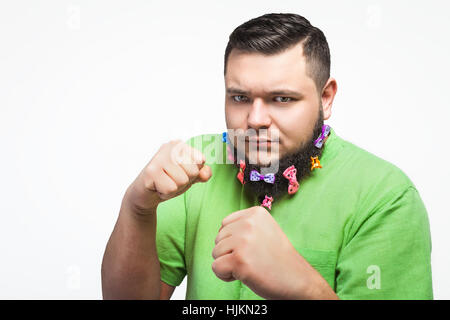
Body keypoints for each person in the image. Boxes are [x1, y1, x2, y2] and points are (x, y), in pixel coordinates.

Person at [101, 13, 433, 300]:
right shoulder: (198, 163)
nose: (255, 119)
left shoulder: (385, 195)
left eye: (282, 99)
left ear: (326, 98)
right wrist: (137, 208)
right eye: (240, 97)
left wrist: (305, 288)